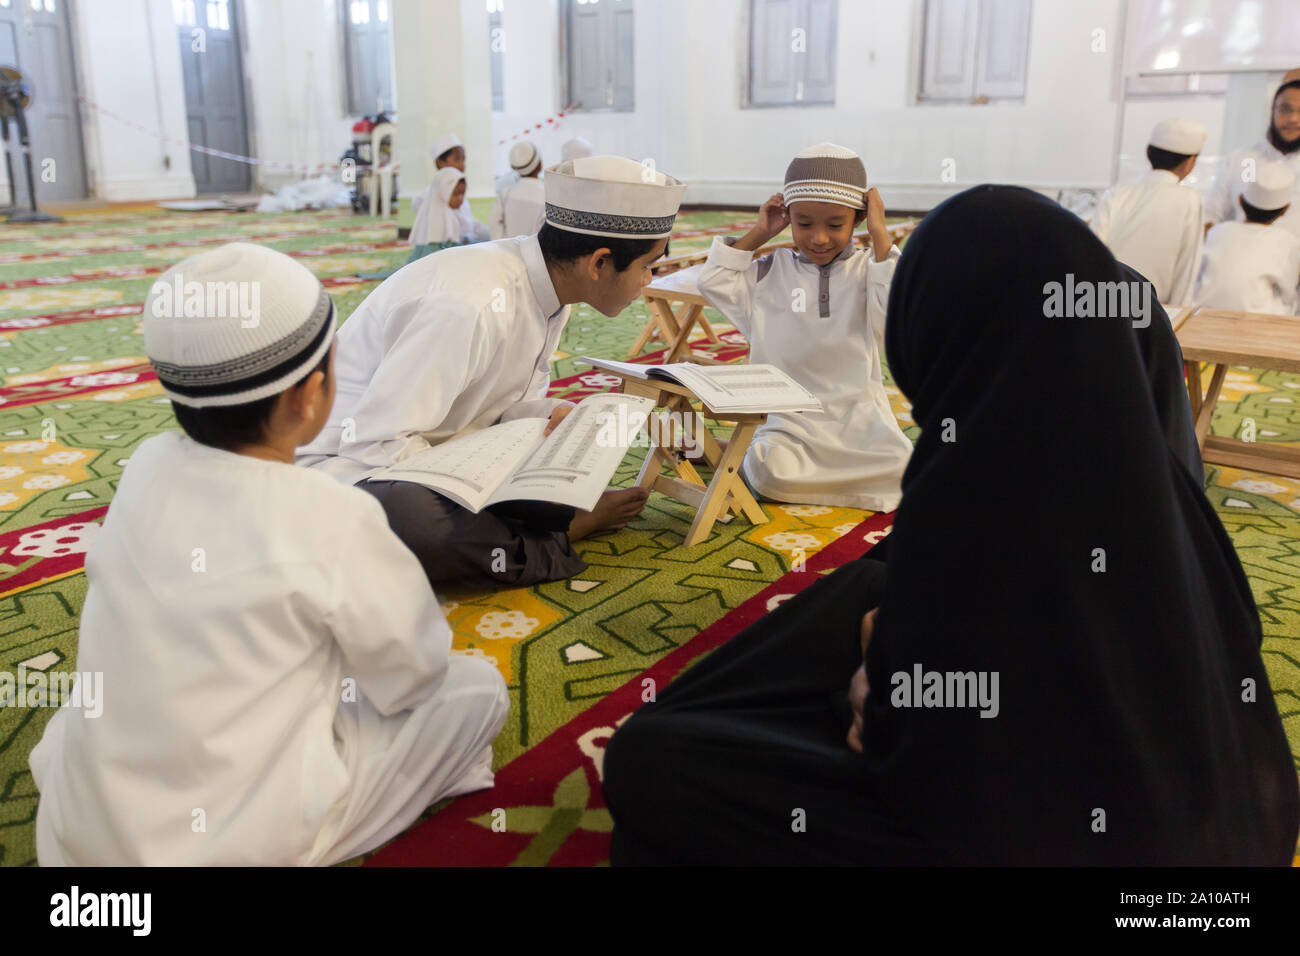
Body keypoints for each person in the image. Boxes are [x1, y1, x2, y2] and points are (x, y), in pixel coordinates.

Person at [602, 185, 1299, 866]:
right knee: (861, 589)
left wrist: (878, 684)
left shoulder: (975, 488)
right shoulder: (1164, 484)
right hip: (1233, 829)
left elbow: (923, 764)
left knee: (653, 762)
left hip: (1044, 839)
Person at [28, 243, 509, 866]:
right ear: (307, 397)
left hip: (86, 833)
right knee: (477, 689)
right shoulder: (333, 513)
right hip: (234, 844)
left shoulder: (144, 467)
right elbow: (412, 676)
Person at [297, 156, 685, 589]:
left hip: (446, 447)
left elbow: (502, 405)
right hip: (348, 465)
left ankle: (534, 519)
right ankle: (565, 529)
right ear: (599, 263)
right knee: (420, 524)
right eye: (648, 266)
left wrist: (547, 415)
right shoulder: (470, 303)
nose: (649, 281)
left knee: (561, 442)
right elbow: (374, 444)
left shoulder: (552, 292)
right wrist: (476, 478)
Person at [696, 142, 910, 513]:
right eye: (804, 223)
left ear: (857, 219)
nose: (819, 238)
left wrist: (880, 234)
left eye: (835, 224)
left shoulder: (867, 271)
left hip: (858, 417)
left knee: (907, 470)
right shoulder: (769, 272)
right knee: (772, 472)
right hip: (788, 421)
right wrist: (761, 232)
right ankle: (748, 455)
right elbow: (713, 280)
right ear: (788, 218)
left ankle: (736, 454)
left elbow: (896, 315)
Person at [1091, 118, 1206, 304]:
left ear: (1148, 153)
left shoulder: (1116, 194)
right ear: (1190, 163)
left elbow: (1094, 255)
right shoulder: (1190, 199)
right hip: (1155, 313)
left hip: (1105, 305)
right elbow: (1187, 270)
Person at [1197, 161, 1300, 315]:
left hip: (1203, 311)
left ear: (1240, 201)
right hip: (1257, 318)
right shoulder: (1287, 241)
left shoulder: (1217, 231)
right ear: (1285, 210)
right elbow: (1288, 293)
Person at [1205, 77, 1300, 240]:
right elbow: (1211, 215)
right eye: (1285, 109)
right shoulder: (1240, 160)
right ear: (1272, 112)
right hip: (1238, 259)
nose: (1293, 119)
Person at [431, 131, 492, 242]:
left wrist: (495, 234)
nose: (461, 165)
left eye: (463, 159)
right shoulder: (429, 197)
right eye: (457, 159)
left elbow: (471, 224)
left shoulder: (460, 194)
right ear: (439, 163)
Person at [490, 141, 546, 239]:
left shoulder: (505, 193)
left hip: (506, 253)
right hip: (535, 253)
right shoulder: (548, 195)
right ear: (539, 165)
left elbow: (495, 227)